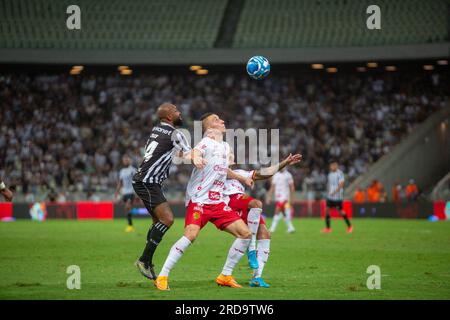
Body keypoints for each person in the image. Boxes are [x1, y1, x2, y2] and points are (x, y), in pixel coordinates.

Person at [154, 113, 254, 291]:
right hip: (200, 200)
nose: (222, 120)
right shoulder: (206, 142)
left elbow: (224, 170)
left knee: (245, 234)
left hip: (218, 202)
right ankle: (162, 276)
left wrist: (242, 178)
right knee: (190, 235)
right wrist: (195, 157)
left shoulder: (224, 146)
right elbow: (192, 153)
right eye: (217, 119)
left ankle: (225, 275)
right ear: (209, 127)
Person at [132, 103, 205, 280]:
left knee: (158, 220)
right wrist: (201, 160)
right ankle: (144, 260)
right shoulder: (176, 134)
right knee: (168, 219)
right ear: (169, 117)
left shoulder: (157, 130)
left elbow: (171, 153)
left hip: (146, 181)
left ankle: (147, 258)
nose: (180, 112)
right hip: (148, 182)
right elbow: (190, 154)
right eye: (176, 111)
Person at [224, 153, 302, 288]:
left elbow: (264, 173)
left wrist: (285, 162)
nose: (231, 154)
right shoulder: (216, 170)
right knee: (256, 203)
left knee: (265, 234)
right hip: (229, 201)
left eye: (231, 153)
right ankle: (251, 250)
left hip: (243, 203)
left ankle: (256, 277)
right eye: (228, 153)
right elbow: (222, 171)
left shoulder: (241, 172)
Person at [321, 160, 352, 233]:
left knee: (340, 211)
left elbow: (341, 184)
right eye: (332, 165)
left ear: (336, 166)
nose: (333, 167)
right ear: (330, 166)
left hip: (338, 197)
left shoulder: (340, 173)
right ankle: (328, 228)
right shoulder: (330, 174)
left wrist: (334, 192)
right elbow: (329, 185)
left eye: (335, 165)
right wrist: (329, 192)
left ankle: (349, 226)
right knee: (327, 209)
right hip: (330, 196)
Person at [266, 168, 296, 233]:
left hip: (285, 197)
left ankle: (272, 228)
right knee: (283, 213)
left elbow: (292, 187)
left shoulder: (288, 175)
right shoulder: (276, 175)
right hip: (278, 197)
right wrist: (269, 196)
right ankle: (291, 227)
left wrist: (292, 198)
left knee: (277, 211)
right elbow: (272, 187)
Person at [115, 155, 137, 232]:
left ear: (129, 161)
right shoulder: (122, 171)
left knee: (128, 206)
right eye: (124, 160)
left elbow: (136, 181)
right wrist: (117, 192)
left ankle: (130, 226)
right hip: (124, 192)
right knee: (127, 209)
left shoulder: (133, 170)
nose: (125, 161)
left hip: (131, 192)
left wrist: (137, 193)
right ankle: (130, 225)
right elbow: (120, 182)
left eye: (126, 160)